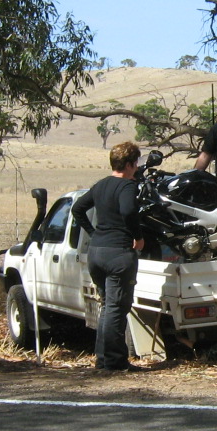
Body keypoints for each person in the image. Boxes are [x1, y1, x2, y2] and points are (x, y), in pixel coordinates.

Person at [71, 142, 146, 373]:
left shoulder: (100, 185)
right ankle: (115, 362)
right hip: (118, 253)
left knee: (107, 306)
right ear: (129, 164)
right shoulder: (127, 186)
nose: (137, 167)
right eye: (135, 163)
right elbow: (128, 211)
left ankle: (103, 359)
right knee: (117, 307)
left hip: (96, 252)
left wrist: (93, 233)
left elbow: (77, 208)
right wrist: (138, 236)